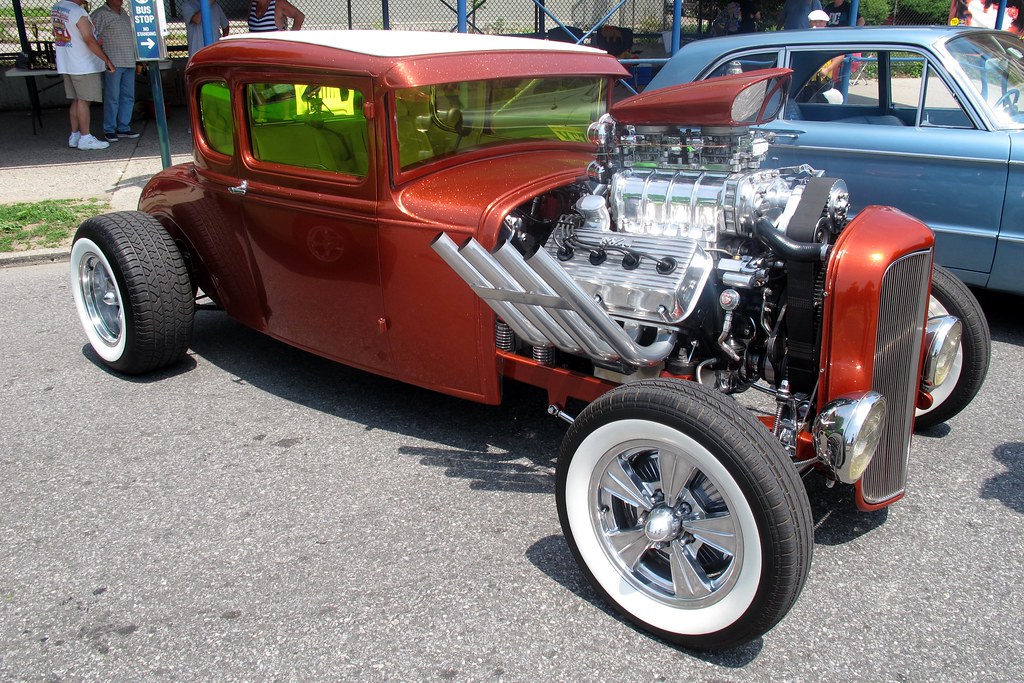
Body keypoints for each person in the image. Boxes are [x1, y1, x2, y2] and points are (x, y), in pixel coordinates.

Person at [52, 0, 115, 150]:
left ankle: (75, 135)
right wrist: (106, 60)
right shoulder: (77, 12)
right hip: (83, 64)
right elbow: (88, 39)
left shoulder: (58, 7)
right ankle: (86, 137)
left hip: (67, 61)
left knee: (77, 100)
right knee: (84, 101)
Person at [91, 0, 138, 143]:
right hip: (113, 63)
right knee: (112, 97)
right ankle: (109, 129)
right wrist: (103, 59)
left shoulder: (124, 14)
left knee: (128, 96)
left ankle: (123, 127)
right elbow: (92, 37)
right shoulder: (99, 14)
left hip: (129, 61)